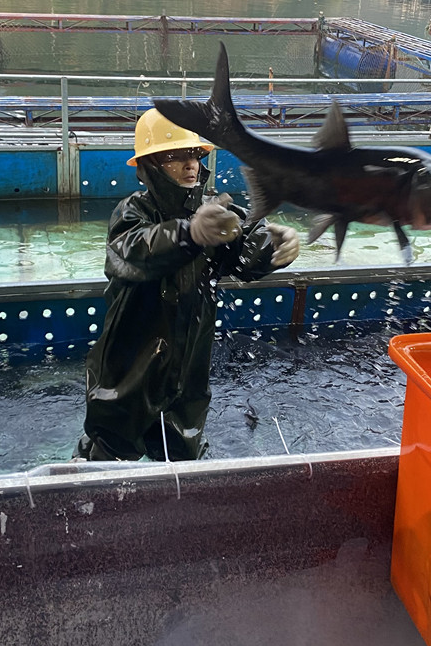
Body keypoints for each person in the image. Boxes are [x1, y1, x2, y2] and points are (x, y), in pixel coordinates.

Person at [75, 108, 299, 462]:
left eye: (193, 154)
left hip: (189, 366)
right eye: (174, 156)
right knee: (110, 447)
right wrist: (188, 234)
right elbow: (132, 254)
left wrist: (276, 247)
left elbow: (246, 250)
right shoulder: (132, 213)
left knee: (183, 451)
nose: (190, 164)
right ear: (150, 165)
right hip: (129, 365)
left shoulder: (214, 212)